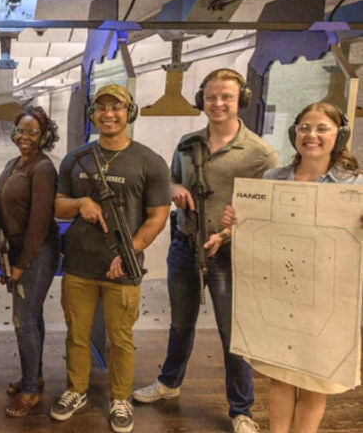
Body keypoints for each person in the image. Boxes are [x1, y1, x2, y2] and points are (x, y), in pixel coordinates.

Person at [133, 69, 279, 433]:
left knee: (234, 334)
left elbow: (270, 209)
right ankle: (169, 383)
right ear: (202, 100)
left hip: (229, 254)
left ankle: (241, 410)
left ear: (240, 100)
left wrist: (230, 231)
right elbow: (167, 179)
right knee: (181, 323)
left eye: (226, 97)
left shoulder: (260, 154)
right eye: (212, 97)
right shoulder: (187, 142)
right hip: (184, 244)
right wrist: (175, 187)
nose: (218, 104)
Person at [221, 102, 363, 433]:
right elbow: (259, 229)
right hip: (280, 291)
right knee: (281, 376)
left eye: (322, 128)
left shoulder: (354, 186)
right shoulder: (274, 178)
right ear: (293, 133)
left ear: (338, 136)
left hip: (327, 296)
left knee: (314, 378)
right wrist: (234, 223)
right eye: (304, 128)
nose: (311, 135)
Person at [53, 84, 170, 432]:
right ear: (93, 114)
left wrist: (129, 251)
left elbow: (158, 216)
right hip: (79, 264)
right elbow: (59, 208)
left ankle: (121, 397)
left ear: (129, 112)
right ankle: (76, 389)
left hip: (124, 267)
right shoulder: (75, 158)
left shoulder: (150, 161)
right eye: (101, 107)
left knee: (120, 337)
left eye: (116, 107)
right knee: (77, 332)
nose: (109, 113)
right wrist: (80, 204)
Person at [0, 106, 60, 417]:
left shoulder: (43, 168)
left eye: (32, 132)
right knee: (32, 316)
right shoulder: (14, 163)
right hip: (16, 251)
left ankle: (30, 391)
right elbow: (2, 201)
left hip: (36, 252)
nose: (25, 136)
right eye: (21, 130)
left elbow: (40, 222)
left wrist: (21, 264)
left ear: (43, 135)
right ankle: (35, 376)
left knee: (24, 320)